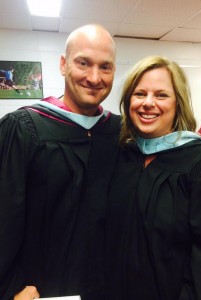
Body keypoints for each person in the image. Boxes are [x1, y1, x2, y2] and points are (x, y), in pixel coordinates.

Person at [0, 24, 120, 300]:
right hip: (39, 288)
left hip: (106, 285)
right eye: (83, 63)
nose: (94, 77)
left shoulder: (117, 131)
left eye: (105, 67)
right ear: (63, 65)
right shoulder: (23, 129)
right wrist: (10, 287)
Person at [105, 56, 201, 300]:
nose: (149, 103)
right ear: (128, 101)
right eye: (140, 94)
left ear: (177, 103)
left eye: (161, 95)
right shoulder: (118, 155)